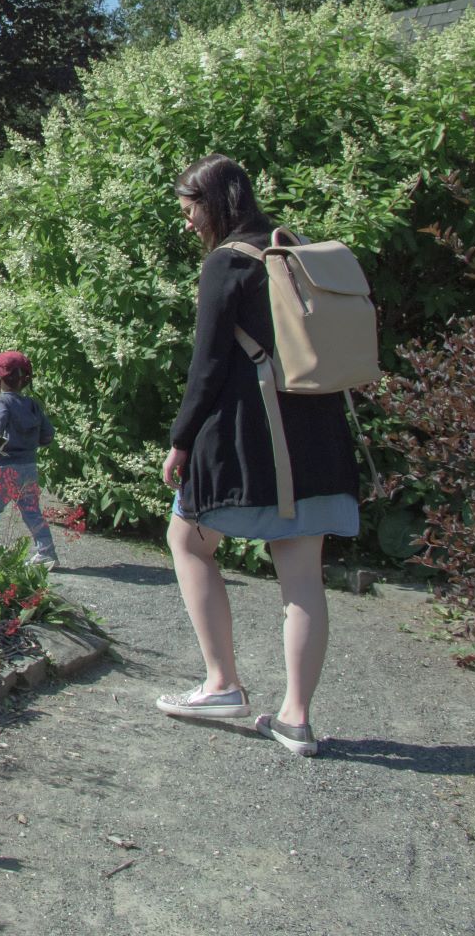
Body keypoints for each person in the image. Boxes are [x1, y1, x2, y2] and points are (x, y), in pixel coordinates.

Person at [159, 154, 361, 757]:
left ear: (213, 203)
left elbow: (210, 365)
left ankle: (222, 683)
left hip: (253, 435)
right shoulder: (286, 250)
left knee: (187, 540)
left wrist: (182, 438)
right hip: (318, 435)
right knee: (302, 577)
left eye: (191, 209)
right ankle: (296, 720)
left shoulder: (226, 263)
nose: (189, 222)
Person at [0, 350, 60, 568]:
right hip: (28, 467)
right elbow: (48, 435)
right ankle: (47, 553)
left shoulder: (1, 403)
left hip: (3, 467)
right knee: (32, 511)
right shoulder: (33, 405)